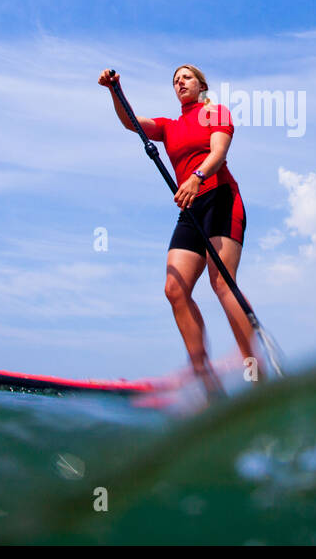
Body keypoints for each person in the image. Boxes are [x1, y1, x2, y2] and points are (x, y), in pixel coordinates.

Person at [99, 65, 256, 397]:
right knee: (175, 289)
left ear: (201, 84)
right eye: (174, 80)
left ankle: (255, 371)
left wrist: (197, 176)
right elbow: (130, 122)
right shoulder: (170, 127)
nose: (179, 82)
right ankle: (205, 376)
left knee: (222, 284)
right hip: (190, 208)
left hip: (220, 198)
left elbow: (218, 153)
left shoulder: (215, 113)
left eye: (186, 77)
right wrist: (115, 90)